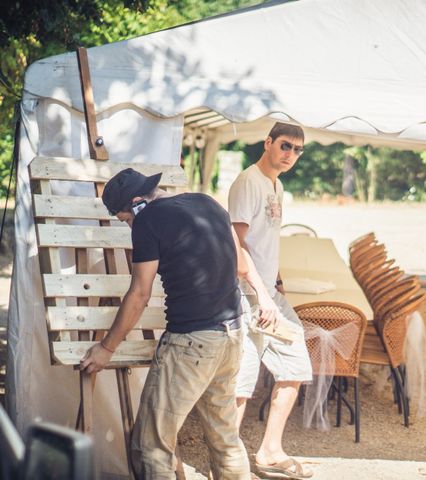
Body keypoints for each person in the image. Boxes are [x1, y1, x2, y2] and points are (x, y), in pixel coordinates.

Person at [79, 168, 277, 480]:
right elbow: (240, 264)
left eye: (125, 218)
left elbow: (140, 293)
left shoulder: (147, 220)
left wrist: (106, 347)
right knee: (225, 439)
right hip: (232, 333)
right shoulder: (208, 203)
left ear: (136, 204)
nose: (130, 225)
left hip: (192, 342)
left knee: (151, 445)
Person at [228, 122, 313, 479]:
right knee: (242, 382)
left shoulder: (276, 184)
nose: (290, 154)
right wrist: (262, 293)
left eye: (297, 150)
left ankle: (269, 451)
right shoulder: (249, 182)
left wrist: (274, 284)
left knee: (295, 365)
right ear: (268, 143)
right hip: (248, 294)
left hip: (268, 293)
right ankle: (227, 461)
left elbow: (264, 242)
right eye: (285, 146)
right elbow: (236, 245)